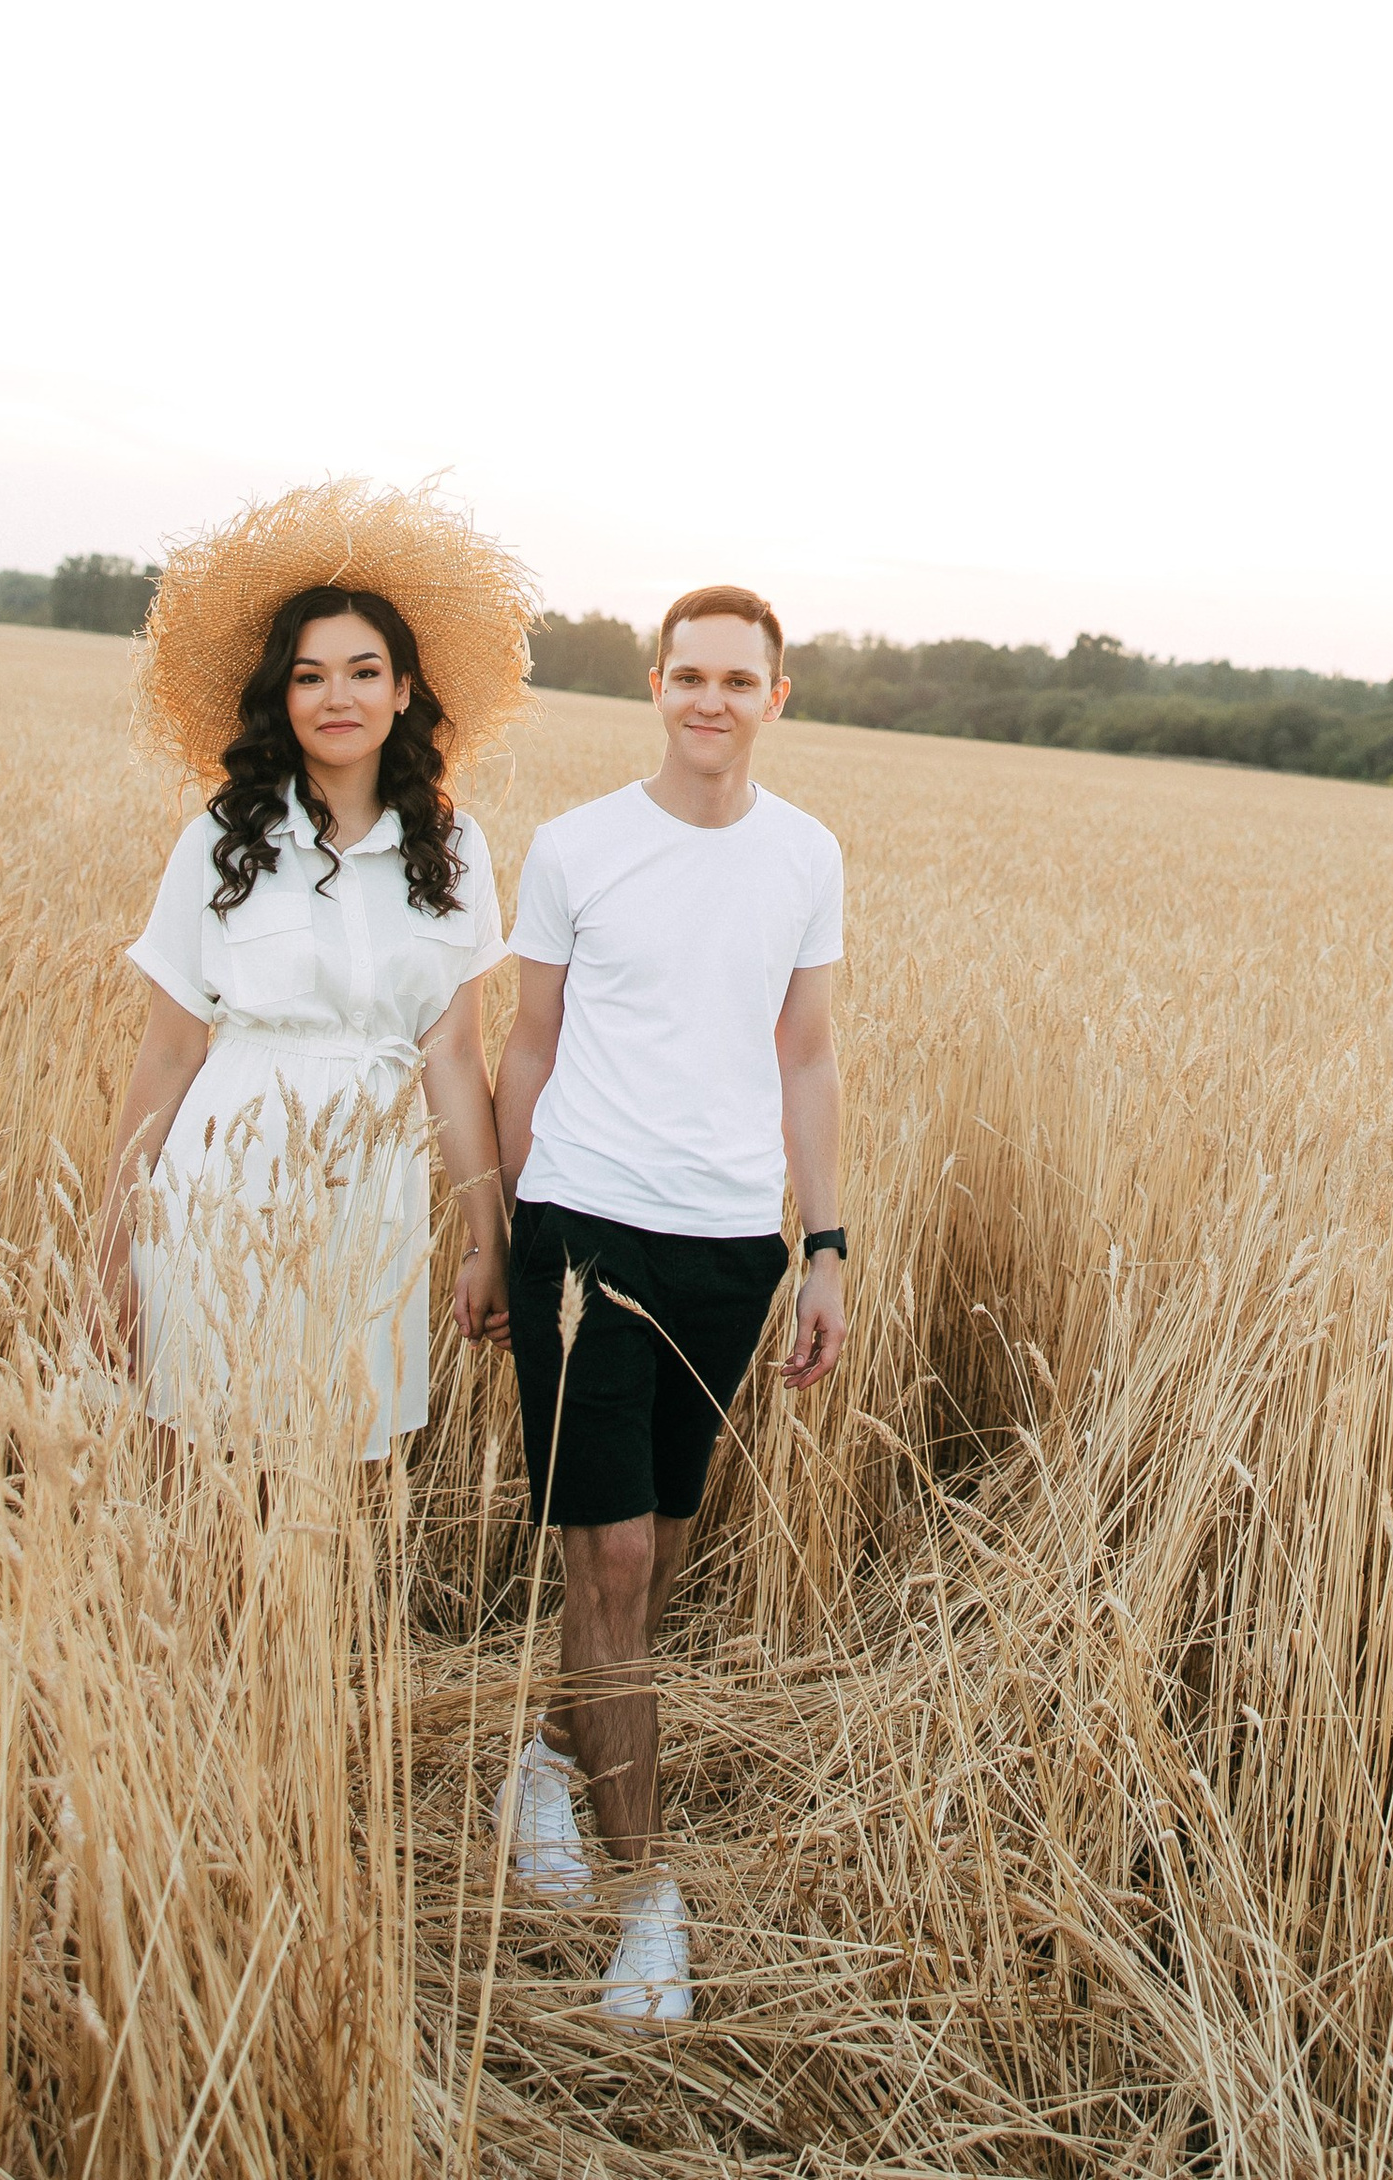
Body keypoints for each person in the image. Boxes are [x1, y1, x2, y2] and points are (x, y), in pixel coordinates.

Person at [489, 583, 847, 2026]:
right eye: (688, 675)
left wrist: (823, 1245)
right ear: (654, 686)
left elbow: (809, 1055)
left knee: (668, 1546)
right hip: (582, 1228)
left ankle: (555, 1765)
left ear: (778, 698)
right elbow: (529, 1042)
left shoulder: (807, 854)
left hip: (727, 1248)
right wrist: (509, 1237)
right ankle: (650, 1900)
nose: (712, 699)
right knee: (616, 1558)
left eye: (738, 680)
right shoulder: (579, 845)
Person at [94, 478, 534, 1457]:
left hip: (371, 1192)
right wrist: (113, 1253)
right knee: (196, 1462)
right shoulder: (220, 838)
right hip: (224, 1173)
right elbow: (169, 1056)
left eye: (364, 671)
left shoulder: (456, 848)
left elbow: (454, 1057)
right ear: (280, 697)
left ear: (405, 690)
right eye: (308, 676)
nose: (337, 697)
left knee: (322, 1483)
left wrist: (484, 1239)